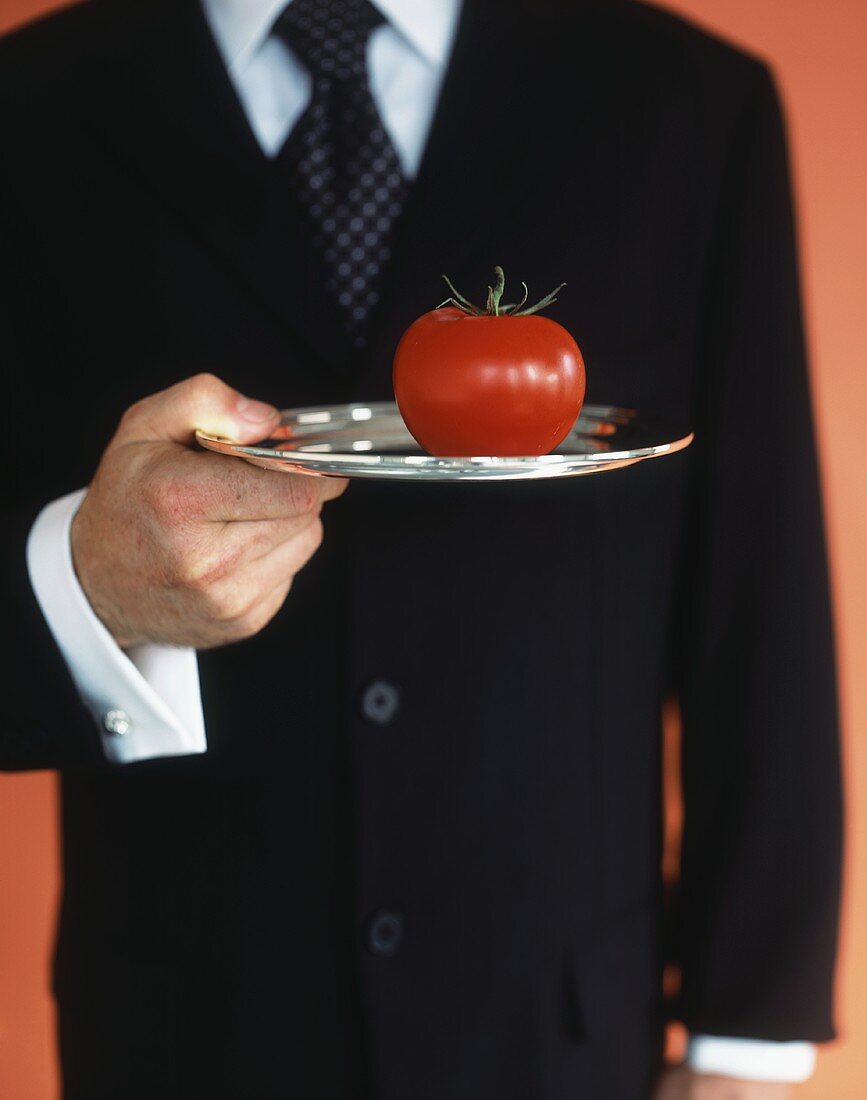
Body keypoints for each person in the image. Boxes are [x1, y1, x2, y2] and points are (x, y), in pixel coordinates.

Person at [1, 0, 842, 1097]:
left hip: (563, 1035)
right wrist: (82, 583)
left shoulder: (689, 103)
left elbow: (760, 588)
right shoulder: (29, 104)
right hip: (179, 1030)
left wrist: (748, 1037)